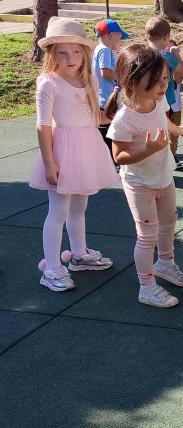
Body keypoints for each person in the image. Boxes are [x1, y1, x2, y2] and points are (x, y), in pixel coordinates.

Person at [29, 18, 120, 292]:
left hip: (87, 147)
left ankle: (79, 254)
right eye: (63, 53)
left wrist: (118, 110)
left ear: (84, 53)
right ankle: (52, 268)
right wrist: (49, 163)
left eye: (76, 52)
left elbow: (93, 117)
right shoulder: (49, 83)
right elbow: (43, 125)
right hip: (62, 151)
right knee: (58, 212)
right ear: (51, 54)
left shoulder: (89, 79)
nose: (71, 58)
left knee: (79, 207)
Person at [105, 43, 183, 308]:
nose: (163, 84)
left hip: (163, 174)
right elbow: (119, 156)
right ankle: (146, 286)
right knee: (147, 235)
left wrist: (176, 129)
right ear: (132, 82)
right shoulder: (124, 119)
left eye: (165, 77)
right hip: (139, 183)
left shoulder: (157, 100)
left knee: (169, 221)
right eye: (156, 80)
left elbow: (161, 120)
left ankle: (165, 263)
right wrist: (149, 149)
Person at [145, 17, 183, 163]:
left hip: (146, 101)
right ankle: (162, 161)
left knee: (149, 130)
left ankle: (150, 158)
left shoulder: (142, 53)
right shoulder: (165, 56)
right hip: (162, 101)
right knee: (162, 130)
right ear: (166, 36)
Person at [92, 17, 130, 147]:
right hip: (106, 100)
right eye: (120, 36)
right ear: (111, 35)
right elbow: (106, 72)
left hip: (102, 99)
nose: (121, 39)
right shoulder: (105, 50)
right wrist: (122, 78)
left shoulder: (99, 49)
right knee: (108, 136)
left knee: (104, 134)